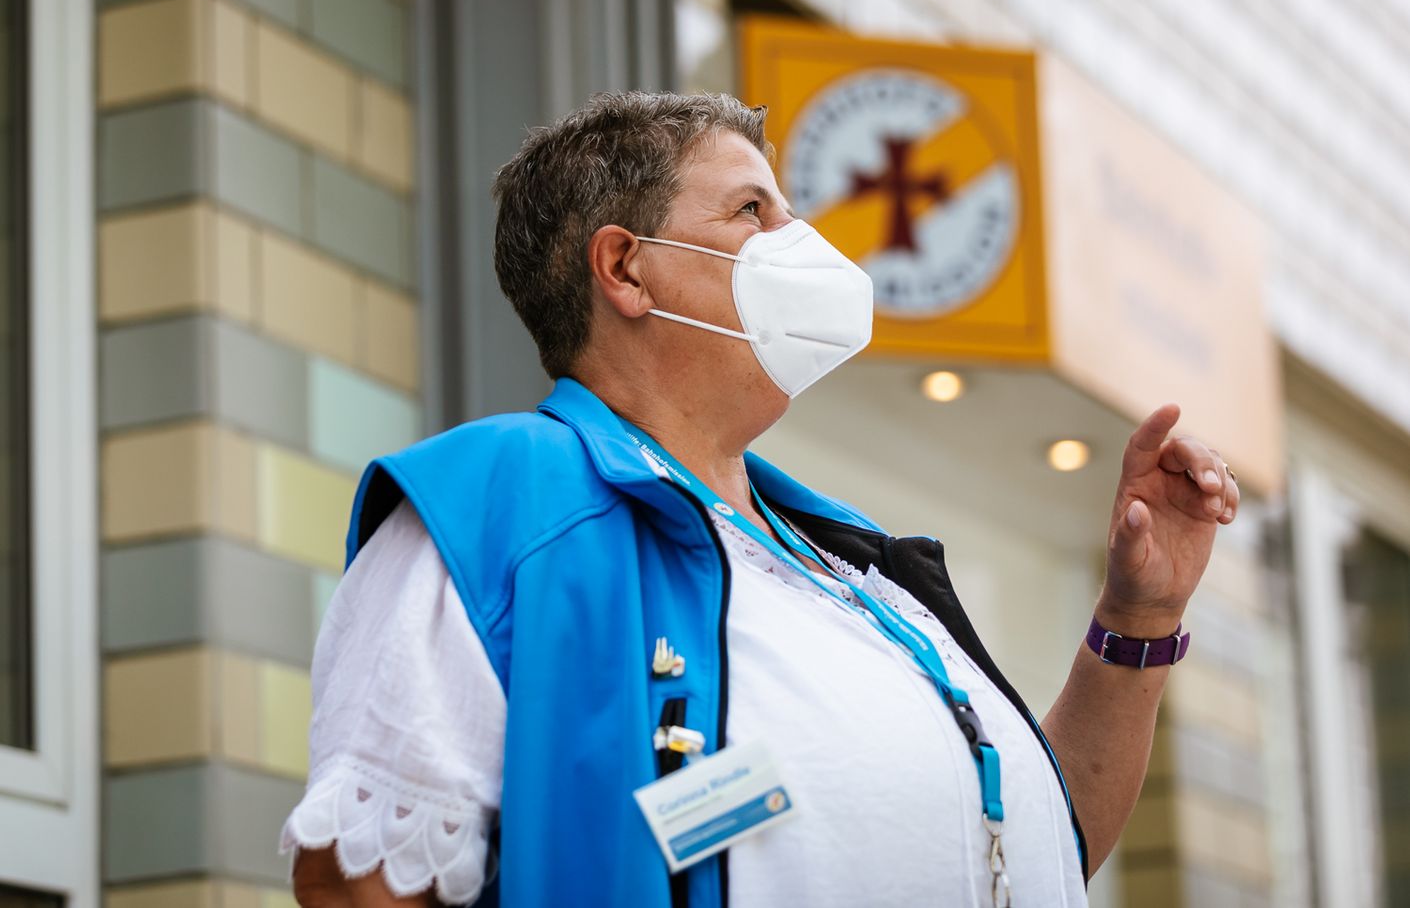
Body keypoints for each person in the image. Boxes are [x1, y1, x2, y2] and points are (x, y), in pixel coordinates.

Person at [282, 92, 1239, 907]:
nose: (804, 245)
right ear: (625, 268)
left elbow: (1040, 844)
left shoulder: (859, 565)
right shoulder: (506, 503)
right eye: (752, 211)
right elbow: (357, 876)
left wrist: (1140, 615)